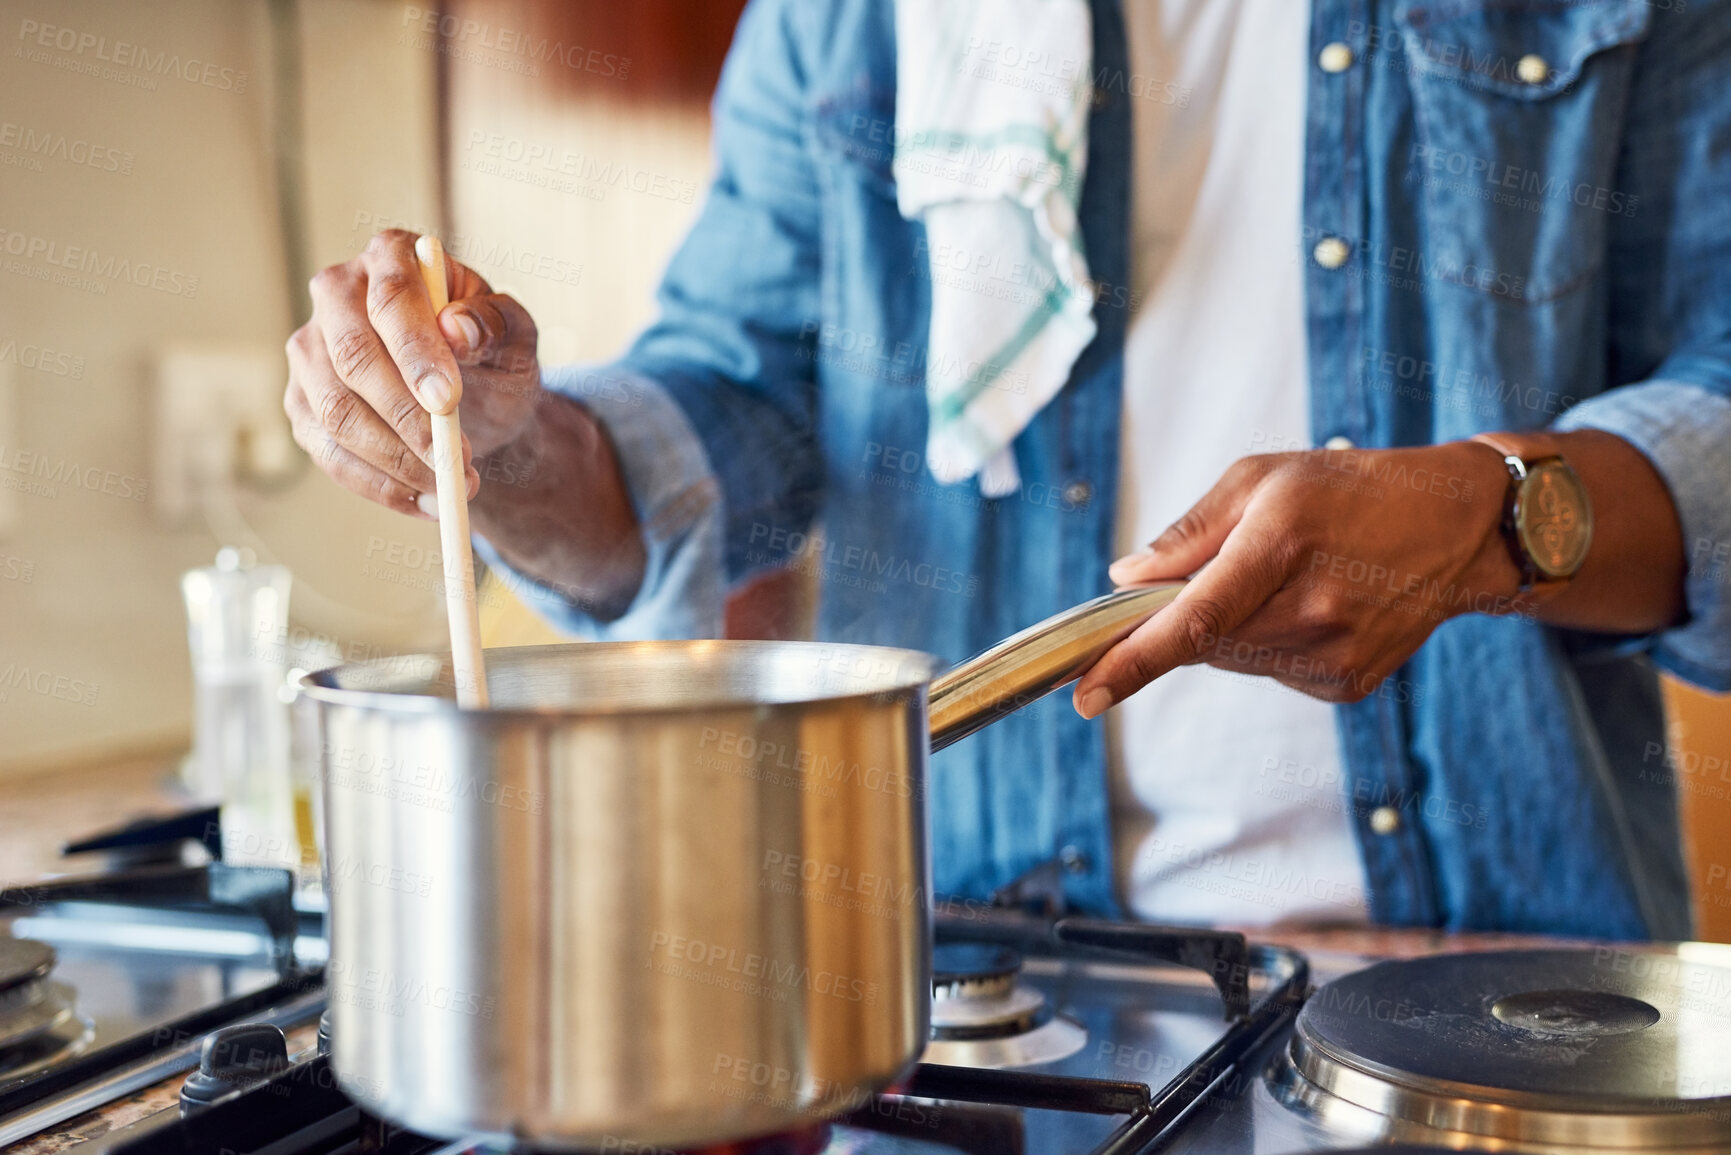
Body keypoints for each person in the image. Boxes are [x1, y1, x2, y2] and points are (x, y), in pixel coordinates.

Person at [284, 0, 1731, 939]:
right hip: (987, 992)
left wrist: (1493, 517)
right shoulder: (845, 23)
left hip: (1496, 1002)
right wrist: (510, 447)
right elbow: (733, 417)